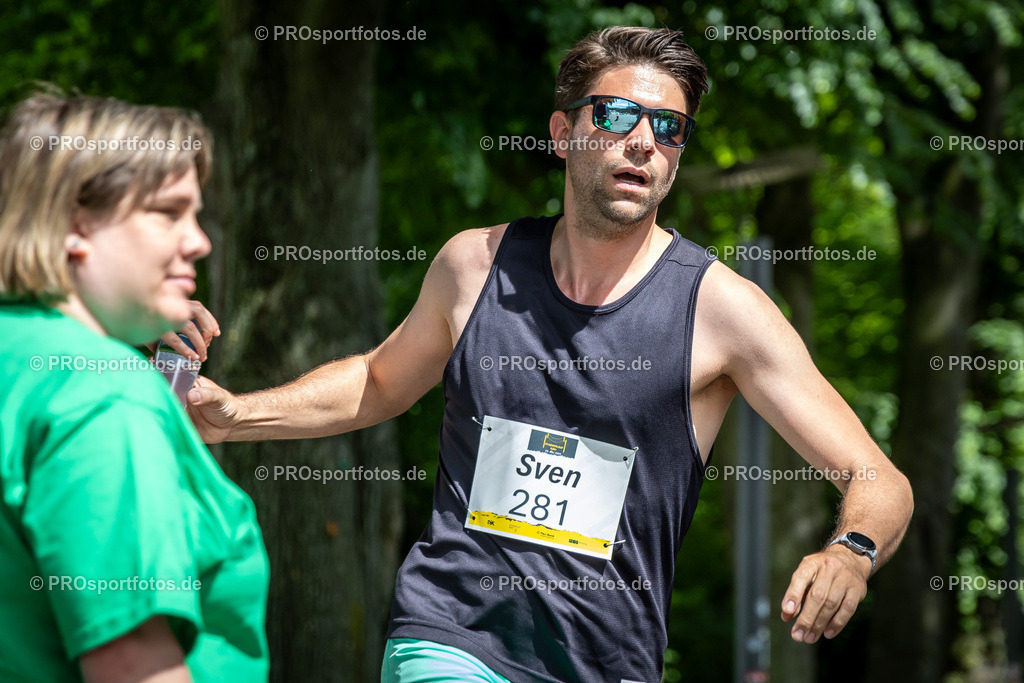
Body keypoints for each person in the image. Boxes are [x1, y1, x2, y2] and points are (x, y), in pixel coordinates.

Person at [186, 26, 914, 682]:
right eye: (618, 115)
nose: (643, 141)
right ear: (564, 133)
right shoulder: (475, 265)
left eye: (669, 127)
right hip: (450, 634)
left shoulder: (721, 310)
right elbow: (378, 381)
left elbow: (879, 478)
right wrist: (234, 415)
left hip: (611, 658)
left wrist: (850, 548)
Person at [0, 92, 269, 683]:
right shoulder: (105, 399)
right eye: (168, 213)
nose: (199, 240)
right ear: (75, 223)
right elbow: (130, 663)